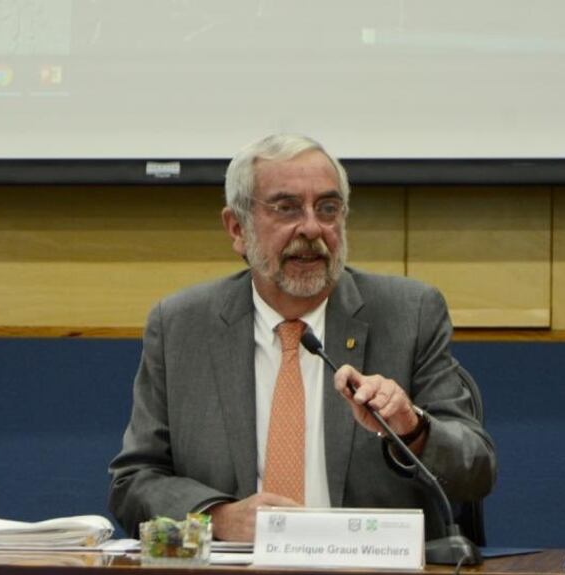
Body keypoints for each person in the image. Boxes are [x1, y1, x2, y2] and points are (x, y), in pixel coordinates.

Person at [108, 134, 496, 542]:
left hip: (368, 573)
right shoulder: (182, 325)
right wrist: (218, 519)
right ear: (237, 228)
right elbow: (134, 481)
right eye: (287, 208)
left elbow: (477, 470)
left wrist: (413, 430)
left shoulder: (408, 313)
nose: (311, 228)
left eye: (327, 208)